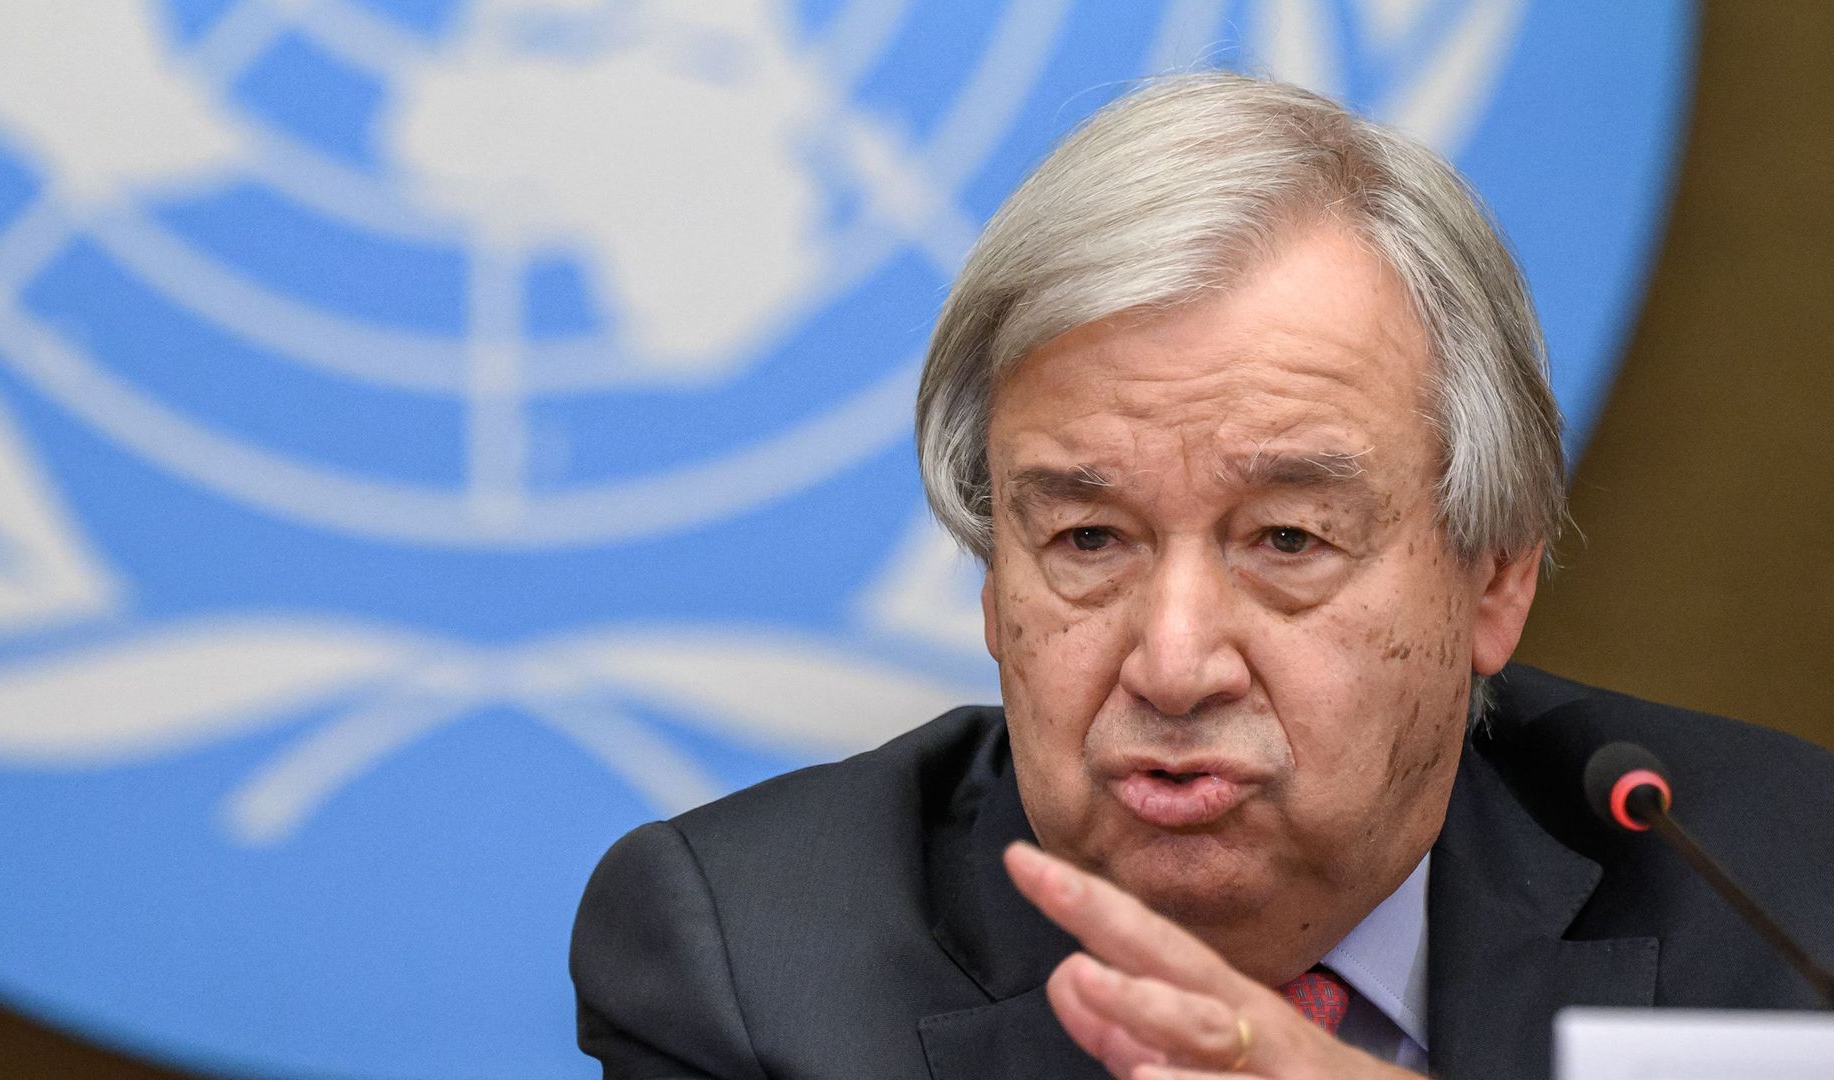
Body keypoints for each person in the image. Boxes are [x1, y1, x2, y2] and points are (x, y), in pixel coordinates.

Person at [569, 72, 1834, 1079]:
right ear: (994, 585)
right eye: (1087, 541)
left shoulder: (1783, 896)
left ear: (1494, 576)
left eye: (1287, 541)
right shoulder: (750, 960)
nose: (1173, 666)